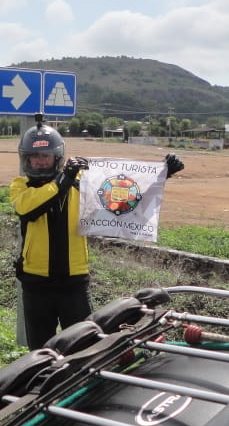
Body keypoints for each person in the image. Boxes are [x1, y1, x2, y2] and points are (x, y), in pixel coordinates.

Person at [10, 118, 184, 350]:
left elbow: (123, 197)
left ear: (56, 157)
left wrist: (162, 173)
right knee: (40, 351)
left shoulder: (79, 183)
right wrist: (64, 179)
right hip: (35, 284)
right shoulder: (21, 186)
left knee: (83, 346)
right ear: (27, 158)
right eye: (35, 156)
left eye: (46, 156)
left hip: (74, 283)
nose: (41, 162)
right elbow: (28, 209)